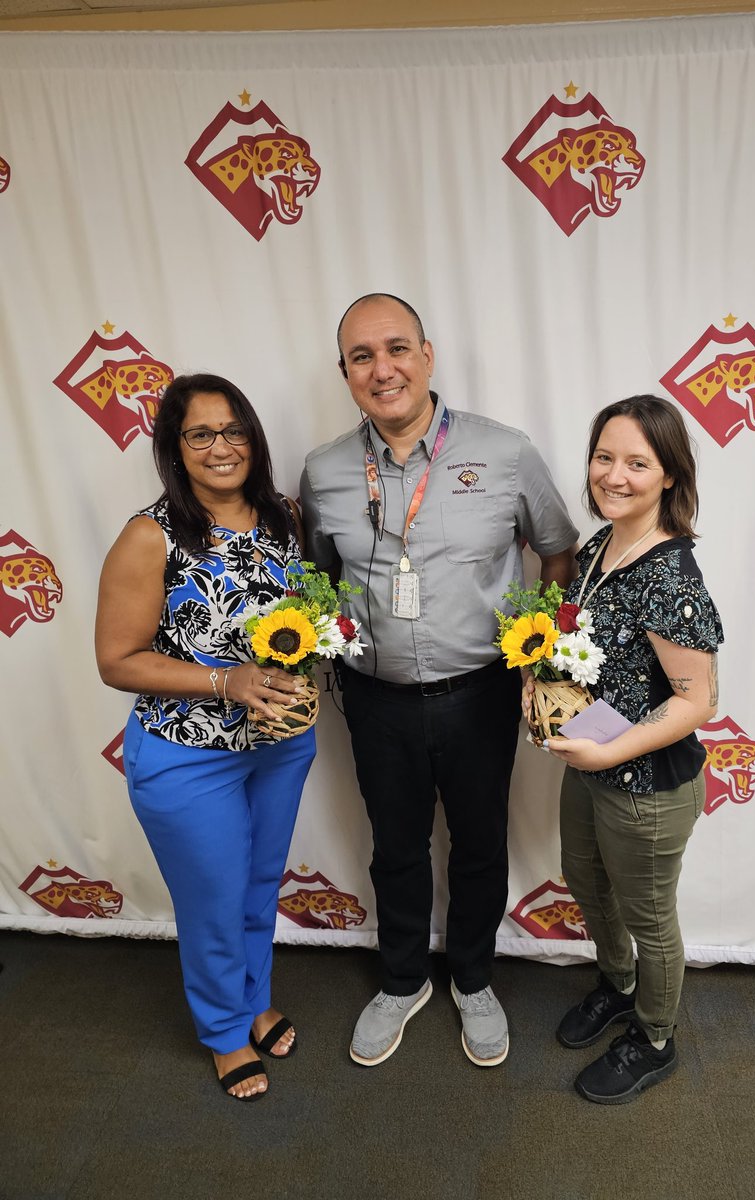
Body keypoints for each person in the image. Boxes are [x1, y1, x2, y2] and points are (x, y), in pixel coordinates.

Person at [300, 293, 578, 1068]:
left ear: (427, 355)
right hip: (375, 698)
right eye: (362, 356)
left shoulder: (505, 452)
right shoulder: (324, 471)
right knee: (395, 846)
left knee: (481, 844)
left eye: (396, 349)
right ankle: (400, 980)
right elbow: (319, 579)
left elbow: (556, 551)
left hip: (480, 694)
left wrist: (542, 653)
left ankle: (474, 978)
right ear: (346, 372)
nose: (381, 369)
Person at [95, 373, 316, 1102]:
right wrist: (227, 682)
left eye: (235, 431)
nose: (222, 448)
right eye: (201, 434)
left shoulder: (284, 514)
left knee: (258, 884)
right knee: (214, 899)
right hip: (186, 754)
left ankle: (253, 1001)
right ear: (174, 446)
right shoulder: (149, 535)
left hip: (279, 742)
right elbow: (116, 660)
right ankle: (224, 1031)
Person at [537, 394, 723, 1104]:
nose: (614, 475)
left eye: (636, 463)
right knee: (584, 881)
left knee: (649, 916)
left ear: (669, 475)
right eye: (604, 457)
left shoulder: (671, 576)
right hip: (591, 763)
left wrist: (609, 755)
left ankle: (654, 1037)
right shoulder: (598, 545)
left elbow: (697, 701)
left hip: (646, 785)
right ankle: (615, 986)